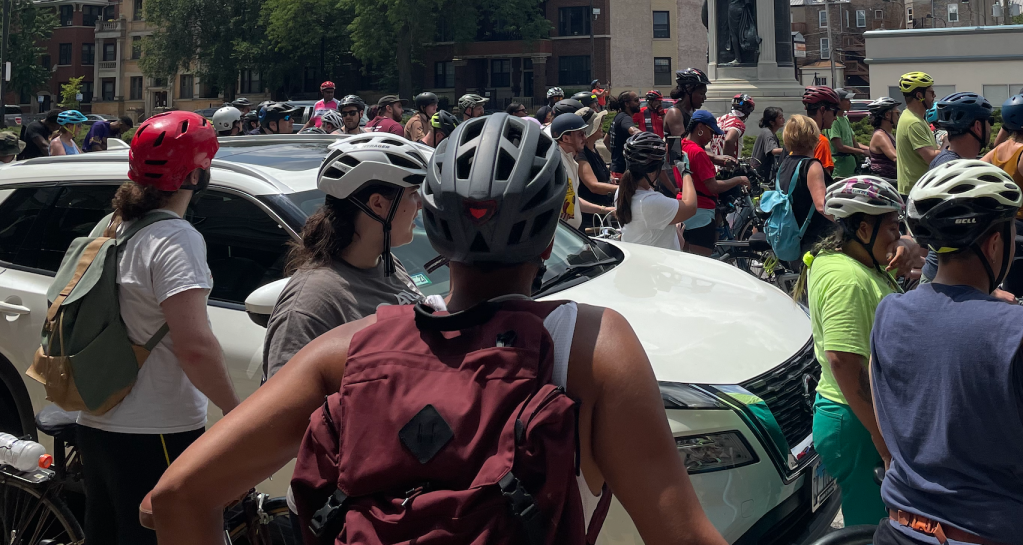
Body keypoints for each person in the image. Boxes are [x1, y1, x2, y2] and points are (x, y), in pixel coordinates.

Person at [150, 112, 731, 545]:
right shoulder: (592, 348)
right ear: (547, 240)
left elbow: (172, 500)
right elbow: (680, 534)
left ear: (435, 226)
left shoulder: (346, 350)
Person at [78, 110, 238, 545]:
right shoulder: (176, 238)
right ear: (196, 176)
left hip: (95, 419)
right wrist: (236, 411)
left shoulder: (114, 224)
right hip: (157, 428)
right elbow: (195, 347)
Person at [870, 160, 1023, 545]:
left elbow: (887, 423)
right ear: (995, 244)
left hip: (898, 528)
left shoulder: (889, 312)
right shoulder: (1013, 329)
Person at [262, 133, 429, 381]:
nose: (421, 204)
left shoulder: (387, 263)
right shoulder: (311, 303)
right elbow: (284, 401)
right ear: (378, 204)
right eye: (413, 192)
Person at [794, 176, 905, 526]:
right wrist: (882, 438)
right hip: (857, 420)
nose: (898, 236)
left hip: (854, 416)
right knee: (873, 527)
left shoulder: (841, 258)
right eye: (893, 228)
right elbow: (843, 361)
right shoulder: (849, 280)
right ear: (863, 228)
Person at [916, 93, 993, 285]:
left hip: (941, 275)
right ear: (978, 126)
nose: (991, 128)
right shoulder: (955, 172)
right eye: (989, 122)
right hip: (950, 281)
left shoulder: (945, 160)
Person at [679, 109, 749, 255]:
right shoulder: (699, 153)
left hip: (683, 206)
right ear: (700, 127)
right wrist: (739, 180)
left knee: (685, 257)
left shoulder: (682, 145)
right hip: (701, 211)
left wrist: (715, 158)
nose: (712, 138)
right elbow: (713, 187)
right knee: (703, 260)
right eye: (711, 132)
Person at [616, 132, 696, 251]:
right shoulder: (649, 202)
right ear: (653, 171)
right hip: (659, 262)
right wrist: (685, 171)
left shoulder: (623, 191)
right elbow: (691, 206)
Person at [777, 115, 834, 265]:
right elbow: (821, 206)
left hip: (791, 237)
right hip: (812, 240)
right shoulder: (812, 165)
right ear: (813, 135)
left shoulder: (785, 163)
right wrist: (848, 221)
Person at [551, 113, 615, 229]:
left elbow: (574, 200)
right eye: (580, 134)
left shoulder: (571, 161)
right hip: (561, 234)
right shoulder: (558, 164)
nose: (585, 138)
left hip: (572, 233)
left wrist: (605, 210)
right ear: (565, 138)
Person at [894, 71, 938, 197]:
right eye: (931, 92)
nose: (934, 95)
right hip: (917, 191)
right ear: (919, 95)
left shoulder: (915, 118)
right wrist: (948, 142)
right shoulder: (913, 122)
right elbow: (932, 159)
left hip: (919, 189)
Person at [575, 108, 617, 229]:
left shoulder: (593, 149)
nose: (601, 126)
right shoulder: (581, 155)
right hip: (590, 219)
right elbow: (593, 186)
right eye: (598, 123)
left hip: (603, 213)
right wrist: (624, 188)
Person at [665, 68, 709, 159]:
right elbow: (685, 145)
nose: (704, 98)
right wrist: (715, 157)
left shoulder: (692, 113)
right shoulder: (675, 113)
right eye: (701, 93)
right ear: (689, 90)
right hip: (678, 165)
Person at [827, 89, 869, 179]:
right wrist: (862, 152)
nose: (850, 103)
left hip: (850, 169)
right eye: (847, 100)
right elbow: (840, 147)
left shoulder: (845, 119)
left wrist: (870, 150)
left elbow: (854, 143)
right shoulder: (835, 121)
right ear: (838, 102)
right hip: (839, 171)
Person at [801, 86, 839, 176]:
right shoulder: (821, 141)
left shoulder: (795, 138)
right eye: (834, 112)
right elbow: (823, 180)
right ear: (823, 110)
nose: (835, 118)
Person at [707, 93, 754, 161]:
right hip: (723, 165)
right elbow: (729, 140)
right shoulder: (738, 123)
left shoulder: (718, 120)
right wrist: (728, 162)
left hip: (714, 162)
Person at [866, 97, 900, 182]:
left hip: (891, 179)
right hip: (884, 181)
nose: (898, 116)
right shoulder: (880, 135)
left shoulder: (888, 133)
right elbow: (895, 157)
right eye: (897, 113)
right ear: (887, 115)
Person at [608, 91, 641, 178]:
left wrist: (616, 156)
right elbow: (632, 130)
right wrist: (648, 137)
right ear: (627, 104)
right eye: (636, 100)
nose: (639, 102)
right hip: (623, 172)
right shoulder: (626, 118)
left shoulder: (618, 117)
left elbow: (606, 140)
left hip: (615, 169)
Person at [750, 106, 784, 183]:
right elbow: (774, 150)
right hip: (759, 176)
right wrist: (793, 149)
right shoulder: (767, 133)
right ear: (772, 122)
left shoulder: (770, 133)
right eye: (780, 118)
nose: (783, 119)